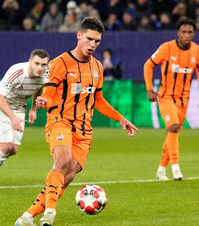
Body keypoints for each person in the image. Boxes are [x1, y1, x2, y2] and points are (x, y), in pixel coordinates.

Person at [15, 17, 138, 226]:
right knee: (62, 162)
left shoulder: (98, 67)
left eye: (97, 41)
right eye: (89, 39)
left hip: (84, 130)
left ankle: (27, 216)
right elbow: (50, 92)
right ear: (79, 35)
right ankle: (49, 215)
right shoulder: (59, 63)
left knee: (69, 173)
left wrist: (121, 118)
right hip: (60, 121)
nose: (93, 45)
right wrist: (45, 99)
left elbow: (98, 99)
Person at [143, 17, 199, 181]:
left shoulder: (197, 51)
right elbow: (148, 65)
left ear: (194, 33)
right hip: (165, 97)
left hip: (183, 100)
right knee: (172, 127)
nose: (187, 35)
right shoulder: (166, 48)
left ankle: (161, 170)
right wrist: (149, 89)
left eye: (190, 32)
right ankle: (176, 168)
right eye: (184, 32)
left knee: (172, 134)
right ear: (178, 33)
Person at [0, 49, 49, 187]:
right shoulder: (17, 72)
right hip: (1, 104)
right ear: (30, 62)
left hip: (19, 107)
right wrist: (13, 117)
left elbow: (39, 88)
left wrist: (33, 109)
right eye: (37, 63)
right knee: (6, 146)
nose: (40, 68)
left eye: (43, 64)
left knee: (13, 149)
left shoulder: (44, 75)